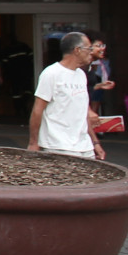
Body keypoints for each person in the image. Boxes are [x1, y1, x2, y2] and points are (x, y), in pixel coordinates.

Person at [28, 31, 105, 159]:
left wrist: (95, 142)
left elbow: (83, 114)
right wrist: (33, 143)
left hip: (85, 147)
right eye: (89, 48)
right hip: (59, 146)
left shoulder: (81, 75)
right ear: (77, 50)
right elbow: (37, 110)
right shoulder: (51, 74)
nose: (91, 52)